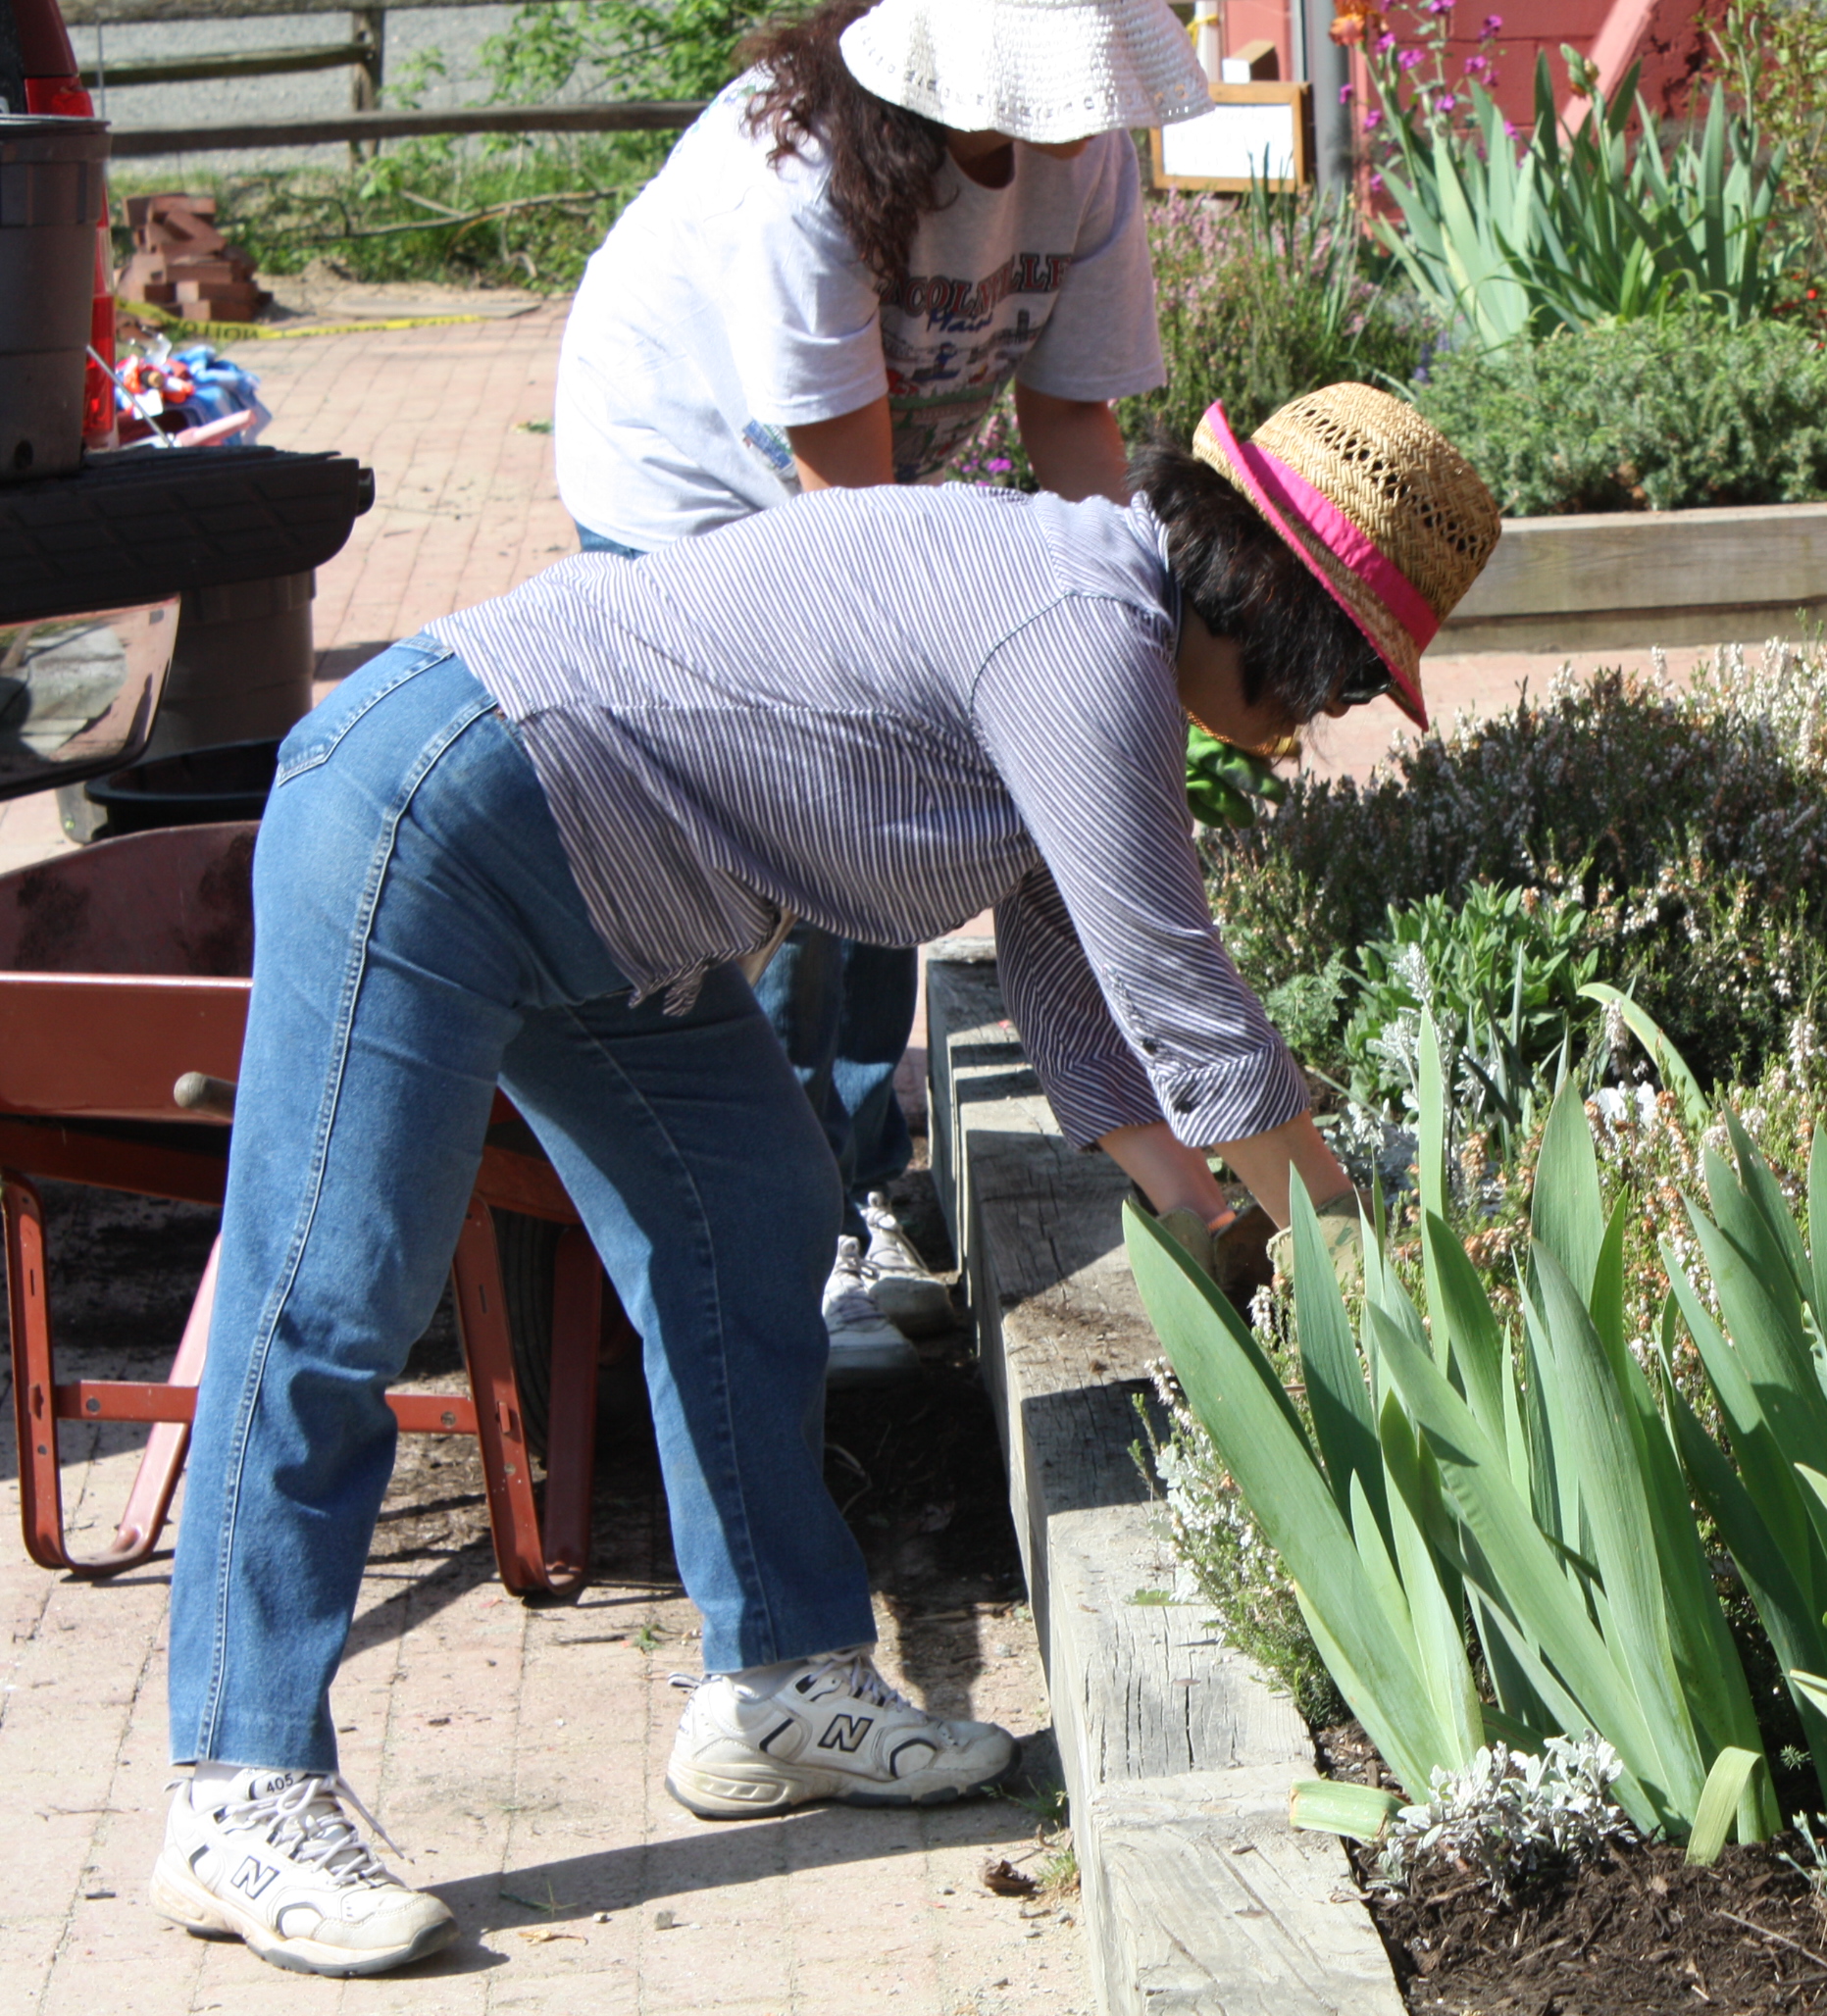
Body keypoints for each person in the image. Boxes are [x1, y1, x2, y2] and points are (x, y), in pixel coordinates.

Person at [150, 385, 1499, 1979]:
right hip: (444, 805)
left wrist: (1218, 1225)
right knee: (335, 1283)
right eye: (1340, 681)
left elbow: (1087, 1007)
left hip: (611, 909)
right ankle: (239, 1787)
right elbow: (1179, 989)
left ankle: (775, 1688)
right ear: (1279, 610)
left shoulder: (1101, 647)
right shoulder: (1081, 631)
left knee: (757, 1215)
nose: (1315, 729)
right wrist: (1361, 1253)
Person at [554, 0, 1205, 1379]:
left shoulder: (1082, 155)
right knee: (797, 851)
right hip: (686, 483)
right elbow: (852, 530)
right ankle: (785, 1245)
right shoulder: (797, 172)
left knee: (895, 831)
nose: (1081, 118)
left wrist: (1129, 658)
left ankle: (855, 1173)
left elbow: (1074, 424)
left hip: (860, 493)